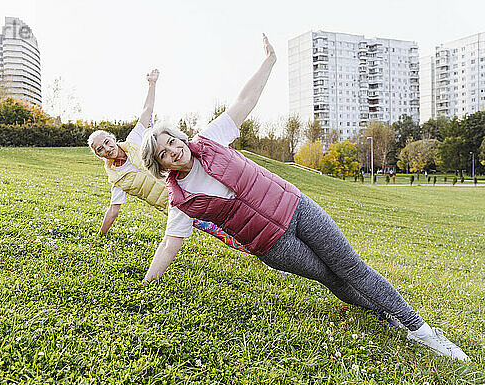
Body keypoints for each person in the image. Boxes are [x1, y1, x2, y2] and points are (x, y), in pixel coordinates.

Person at [139, 35, 470, 361]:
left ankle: (421, 330)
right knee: (332, 278)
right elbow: (170, 244)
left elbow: (245, 103)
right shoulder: (182, 200)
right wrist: (147, 283)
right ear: (160, 165)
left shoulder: (210, 140)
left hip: (297, 207)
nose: (173, 151)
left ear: (180, 138)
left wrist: (269, 61)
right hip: (273, 245)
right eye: (164, 154)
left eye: (171, 142)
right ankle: (388, 312)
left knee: (353, 269)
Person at [88, 69, 248, 253]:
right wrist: (100, 235)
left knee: (234, 210)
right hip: (182, 205)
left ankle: (266, 237)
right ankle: (257, 248)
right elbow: (113, 210)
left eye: (107, 142)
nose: (107, 149)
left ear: (113, 139)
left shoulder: (134, 141)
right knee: (222, 231)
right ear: (98, 155)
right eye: (100, 149)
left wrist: (152, 84)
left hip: (192, 182)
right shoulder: (117, 180)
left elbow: (146, 111)